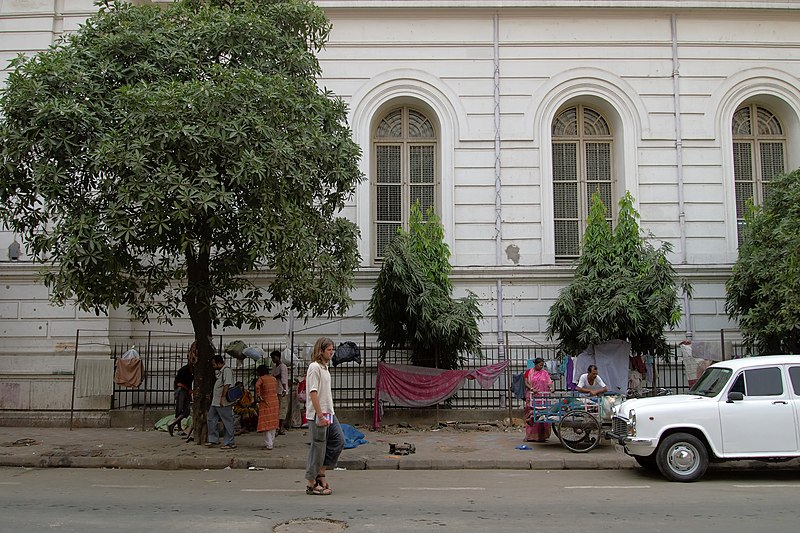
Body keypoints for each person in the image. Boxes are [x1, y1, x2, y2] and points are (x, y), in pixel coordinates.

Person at [304, 336, 344, 496]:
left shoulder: (325, 368)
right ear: (320, 351)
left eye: (332, 349)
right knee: (318, 447)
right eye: (329, 350)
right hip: (318, 414)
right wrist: (320, 415)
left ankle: (321, 472)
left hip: (329, 413)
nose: (332, 352)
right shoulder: (314, 367)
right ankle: (311, 482)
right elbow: (313, 392)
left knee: (338, 441)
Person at [205, 354, 236, 450]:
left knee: (227, 421)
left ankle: (230, 442)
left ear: (219, 363)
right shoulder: (220, 372)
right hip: (215, 401)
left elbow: (227, 385)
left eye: (214, 364)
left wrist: (222, 398)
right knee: (210, 418)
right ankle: (213, 439)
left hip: (223, 402)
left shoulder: (227, 371)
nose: (213, 366)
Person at [524, 357, 554, 442]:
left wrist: (551, 388)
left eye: (542, 365)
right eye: (540, 365)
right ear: (536, 364)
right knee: (532, 415)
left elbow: (549, 382)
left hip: (543, 397)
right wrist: (532, 389)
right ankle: (530, 436)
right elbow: (526, 383)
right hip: (532, 396)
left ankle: (542, 436)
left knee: (543, 416)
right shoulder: (529, 372)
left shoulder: (545, 373)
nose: (541, 367)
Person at [255, 364, 280, 450]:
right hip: (275, 401)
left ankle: (269, 444)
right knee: (273, 424)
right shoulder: (273, 378)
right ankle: (271, 442)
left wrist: (259, 395)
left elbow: (257, 386)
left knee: (266, 424)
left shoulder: (262, 379)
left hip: (266, 402)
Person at [168, 355, 193, 437]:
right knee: (179, 410)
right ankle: (178, 427)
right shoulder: (184, 370)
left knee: (186, 411)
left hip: (185, 391)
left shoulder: (192, 370)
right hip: (181, 391)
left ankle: (174, 425)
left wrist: (190, 391)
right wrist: (188, 389)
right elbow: (179, 383)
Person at [270, 349, 289, 435]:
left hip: (282, 390)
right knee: (277, 409)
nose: (273, 360)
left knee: (283, 409)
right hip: (276, 390)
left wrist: (285, 389)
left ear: (278, 357)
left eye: (274, 358)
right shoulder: (275, 367)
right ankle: (277, 427)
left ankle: (281, 428)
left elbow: (283, 378)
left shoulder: (282, 366)